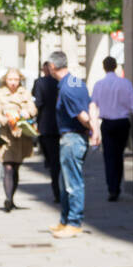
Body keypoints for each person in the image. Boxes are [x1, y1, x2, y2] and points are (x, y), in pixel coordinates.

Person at [48, 50, 97, 239]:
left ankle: (74, 222)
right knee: (64, 182)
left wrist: (93, 130)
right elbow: (91, 105)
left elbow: (83, 116)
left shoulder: (67, 89)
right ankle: (65, 220)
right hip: (74, 138)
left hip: (72, 139)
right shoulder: (76, 82)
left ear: (53, 67)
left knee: (72, 183)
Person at [89, 56, 133, 201]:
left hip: (107, 123)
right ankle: (116, 186)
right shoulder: (125, 83)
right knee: (118, 154)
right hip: (122, 122)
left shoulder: (99, 85)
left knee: (109, 156)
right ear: (116, 67)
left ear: (104, 67)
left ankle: (112, 187)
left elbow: (93, 106)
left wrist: (94, 127)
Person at [0, 68, 37, 212]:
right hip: (6, 134)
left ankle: (12, 198)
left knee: (16, 166)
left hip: (21, 134)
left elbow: (33, 109)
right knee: (8, 166)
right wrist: (6, 119)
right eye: (10, 80)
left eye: (16, 80)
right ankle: (8, 199)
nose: (13, 83)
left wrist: (26, 112)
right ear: (6, 80)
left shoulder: (24, 92)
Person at [33, 60, 60, 203]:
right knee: (59, 163)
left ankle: (57, 192)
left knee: (53, 163)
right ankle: (60, 191)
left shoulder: (40, 83)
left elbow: (38, 103)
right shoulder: (66, 81)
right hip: (62, 127)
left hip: (47, 127)